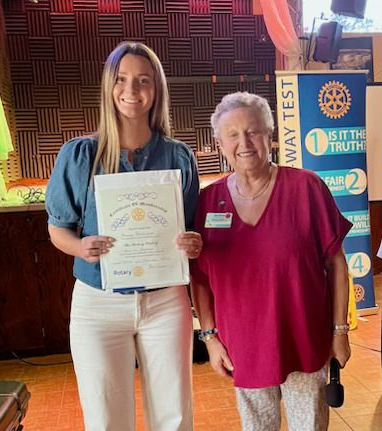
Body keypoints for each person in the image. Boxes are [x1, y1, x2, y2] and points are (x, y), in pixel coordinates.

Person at [45, 41, 202, 431]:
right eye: (122, 80)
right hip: (98, 304)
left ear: (157, 89)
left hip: (166, 302)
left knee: (174, 414)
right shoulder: (79, 155)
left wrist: (192, 243)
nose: (132, 90)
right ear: (108, 87)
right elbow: (57, 228)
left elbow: (191, 229)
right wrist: (79, 246)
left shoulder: (178, 156)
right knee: (104, 416)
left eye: (143, 80)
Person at [190, 92, 352, 431]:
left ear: (270, 136)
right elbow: (200, 278)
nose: (244, 142)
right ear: (220, 144)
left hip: (305, 340)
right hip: (243, 346)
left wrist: (340, 332)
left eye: (253, 131)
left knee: (309, 426)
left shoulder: (307, 188)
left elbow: (336, 264)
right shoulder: (207, 202)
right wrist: (210, 337)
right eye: (232, 134)